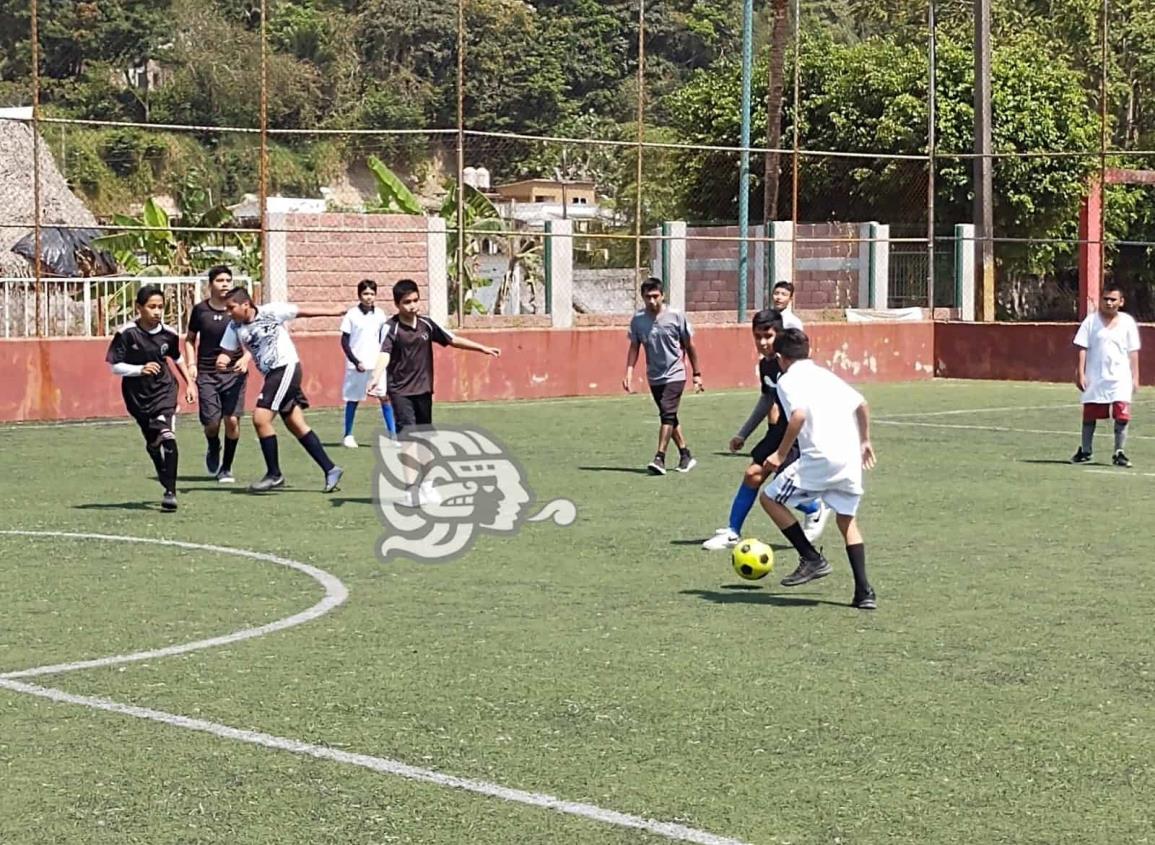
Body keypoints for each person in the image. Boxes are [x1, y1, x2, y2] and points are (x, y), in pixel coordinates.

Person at [759, 328, 877, 610]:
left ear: (780, 358)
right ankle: (864, 592)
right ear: (808, 352)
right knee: (847, 521)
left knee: (769, 498)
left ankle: (811, 558)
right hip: (848, 458)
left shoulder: (787, 381)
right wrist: (865, 441)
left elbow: (798, 416)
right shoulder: (826, 375)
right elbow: (862, 403)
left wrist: (780, 454)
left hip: (820, 459)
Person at [701, 309, 830, 550]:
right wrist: (743, 433)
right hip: (780, 430)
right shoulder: (766, 366)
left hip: (800, 434)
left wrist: (783, 451)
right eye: (757, 336)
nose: (762, 342)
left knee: (780, 486)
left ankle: (814, 508)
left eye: (768, 336)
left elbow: (805, 409)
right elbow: (766, 400)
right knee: (753, 476)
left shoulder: (793, 367)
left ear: (779, 335)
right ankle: (732, 532)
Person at [367, 279, 501, 506]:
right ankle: (411, 491)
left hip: (424, 390)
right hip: (400, 391)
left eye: (415, 300)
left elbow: (452, 339)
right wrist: (374, 376)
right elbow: (384, 354)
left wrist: (482, 348)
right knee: (409, 439)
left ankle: (428, 485)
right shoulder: (391, 328)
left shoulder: (427, 325)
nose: (412, 305)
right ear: (397, 304)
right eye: (407, 302)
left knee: (425, 440)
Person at [217, 288, 345, 494]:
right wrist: (222, 360)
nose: (229, 312)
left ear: (246, 304)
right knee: (296, 424)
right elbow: (226, 351)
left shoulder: (271, 311)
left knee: (260, 418)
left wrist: (333, 310)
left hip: (285, 368)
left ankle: (274, 474)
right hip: (272, 375)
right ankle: (331, 469)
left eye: (231, 308)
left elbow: (303, 311)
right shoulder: (234, 326)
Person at [106, 285, 197, 512]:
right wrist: (139, 369)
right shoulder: (127, 333)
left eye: (160, 307)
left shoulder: (169, 333)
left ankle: (170, 493)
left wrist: (190, 384)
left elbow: (176, 359)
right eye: (152, 307)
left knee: (167, 435)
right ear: (139, 308)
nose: (157, 312)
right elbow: (115, 367)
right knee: (153, 442)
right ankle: (161, 469)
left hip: (164, 391)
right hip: (137, 396)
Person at [623, 277, 703, 475]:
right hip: (654, 376)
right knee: (669, 416)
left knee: (667, 413)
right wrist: (629, 372)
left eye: (655, 296)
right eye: (647, 297)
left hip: (676, 374)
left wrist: (697, 374)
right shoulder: (638, 320)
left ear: (663, 295)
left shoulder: (676, 316)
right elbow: (634, 347)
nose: (652, 301)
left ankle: (660, 457)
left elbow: (690, 345)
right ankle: (686, 455)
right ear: (642, 297)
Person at [184, 264, 251, 483]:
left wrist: (245, 358)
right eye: (220, 281)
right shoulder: (200, 310)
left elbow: (254, 338)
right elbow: (189, 340)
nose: (225, 285)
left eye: (228, 280)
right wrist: (192, 364)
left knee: (231, 420)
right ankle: (214, 446)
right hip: (207, 374)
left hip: (234, 373)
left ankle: (227, 468)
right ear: (210, 284)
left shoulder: (238, 311)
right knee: (212, 423)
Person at [1071, 283, 1141, 467]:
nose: (1109, 303)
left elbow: (1133, 351)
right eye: (1105, 299)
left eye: (1113, 299)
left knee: (1122, 416)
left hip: (1120, 378)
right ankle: (1085, 451)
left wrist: (1135, 376)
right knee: (1090, 415)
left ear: (1121, 302)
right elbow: (1082, 347)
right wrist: (1080, 372)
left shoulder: (1127, 322)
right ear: (1100, 300)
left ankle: (1119, 452)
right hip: (1096, 377)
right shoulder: (1091, 321)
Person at [339, 279, 395, 448]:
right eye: (365, 294)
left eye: (372, 294)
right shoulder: (352, 315)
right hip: (358, 365)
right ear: (359, 295)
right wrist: (356, 361)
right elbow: (344, 341)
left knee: (384, 397)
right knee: (353, 399)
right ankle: (348, 435)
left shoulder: (380, 314)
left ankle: (393, 435)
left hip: (376, 364)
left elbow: (384, 339)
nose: (369, 297)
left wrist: (383, 360)